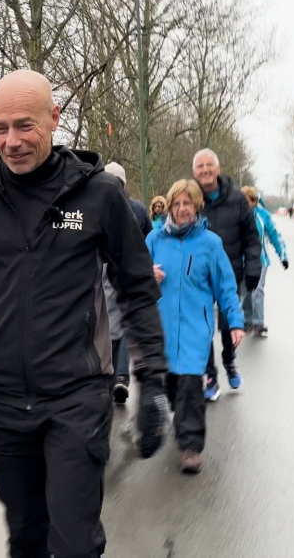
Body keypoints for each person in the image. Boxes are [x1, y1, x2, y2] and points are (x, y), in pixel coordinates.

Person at [0, 70, 168, 558]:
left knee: (73, 543)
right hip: (4, 404)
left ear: (54, 118)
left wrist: (151, 380)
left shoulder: (99, 195)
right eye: (0, 128)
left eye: (24, 126)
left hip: (77, 397)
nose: (11, 141)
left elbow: (135, 289)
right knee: (25, 537)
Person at [148, 180, 245, 473]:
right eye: (176, 204)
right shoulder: (154, 240)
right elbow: (133, 276)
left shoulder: (210, 244)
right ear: (169, 207)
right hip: (162, 327)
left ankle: (191, 447)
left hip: (194, 328)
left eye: (187, 204)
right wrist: (146, 275)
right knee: (171, 385)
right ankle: (177, 422)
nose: (181, 209)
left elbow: (226, 287)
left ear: (197, 206)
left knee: (191, 386)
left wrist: (236, 322)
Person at [192, 149, 260, 402]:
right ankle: (210, 375)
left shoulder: (237, 199)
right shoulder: (191, 198)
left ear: (218, 169)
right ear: (194, 172)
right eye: (200, 167)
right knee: (203, 327)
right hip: (198, 278)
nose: (205, 170)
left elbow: (252, 239)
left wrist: (253, 269)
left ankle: (229, 362)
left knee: (227, 325)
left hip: (230, 274)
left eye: (210, 165)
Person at [103, 161, 153, 404]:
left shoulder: (99, 204)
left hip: (112, 271)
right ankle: (118, 376)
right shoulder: (138, 208)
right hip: (123, 271)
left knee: (114, 322)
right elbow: (149, 239)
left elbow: (149, 238)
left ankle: (117, 376)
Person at [240, 186, 289, 338]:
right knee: (245, 292)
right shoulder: (236, 216)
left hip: (260, 260)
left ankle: (258, 322)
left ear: (254, 201)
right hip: (242, 261)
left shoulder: (263, 216)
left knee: (257, 291)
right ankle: (247, 320)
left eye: (248, 201)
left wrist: (283, 256)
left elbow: (274, 235)